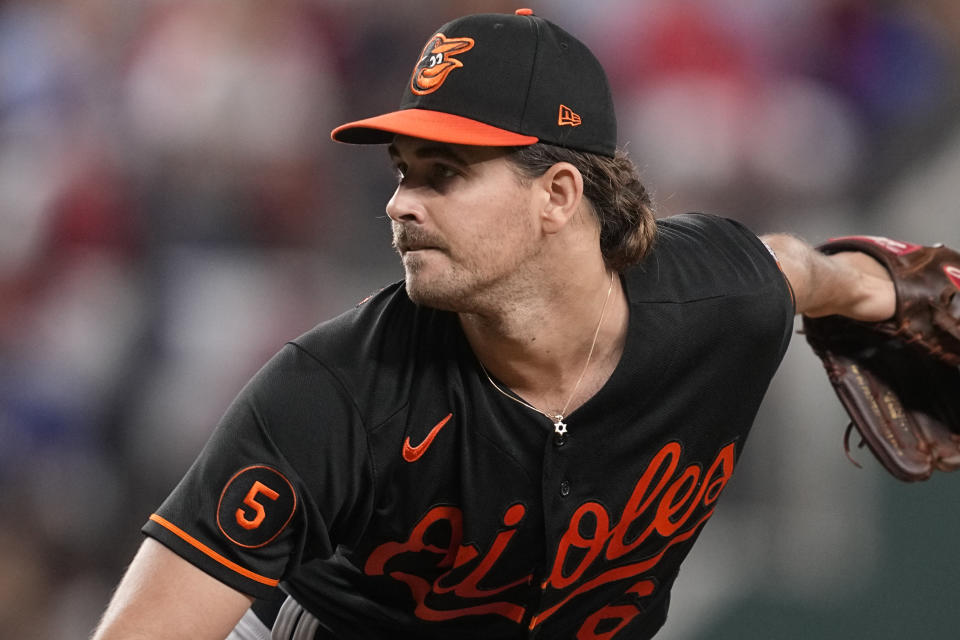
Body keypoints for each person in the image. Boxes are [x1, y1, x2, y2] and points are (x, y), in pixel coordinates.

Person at [92, 9, 897, 640]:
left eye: (444, 175)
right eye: (403, 172)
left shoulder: (717, 300)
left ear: (557, 196)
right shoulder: (332, 390)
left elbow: (799, 269)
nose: (400, 203)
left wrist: (882, 288)